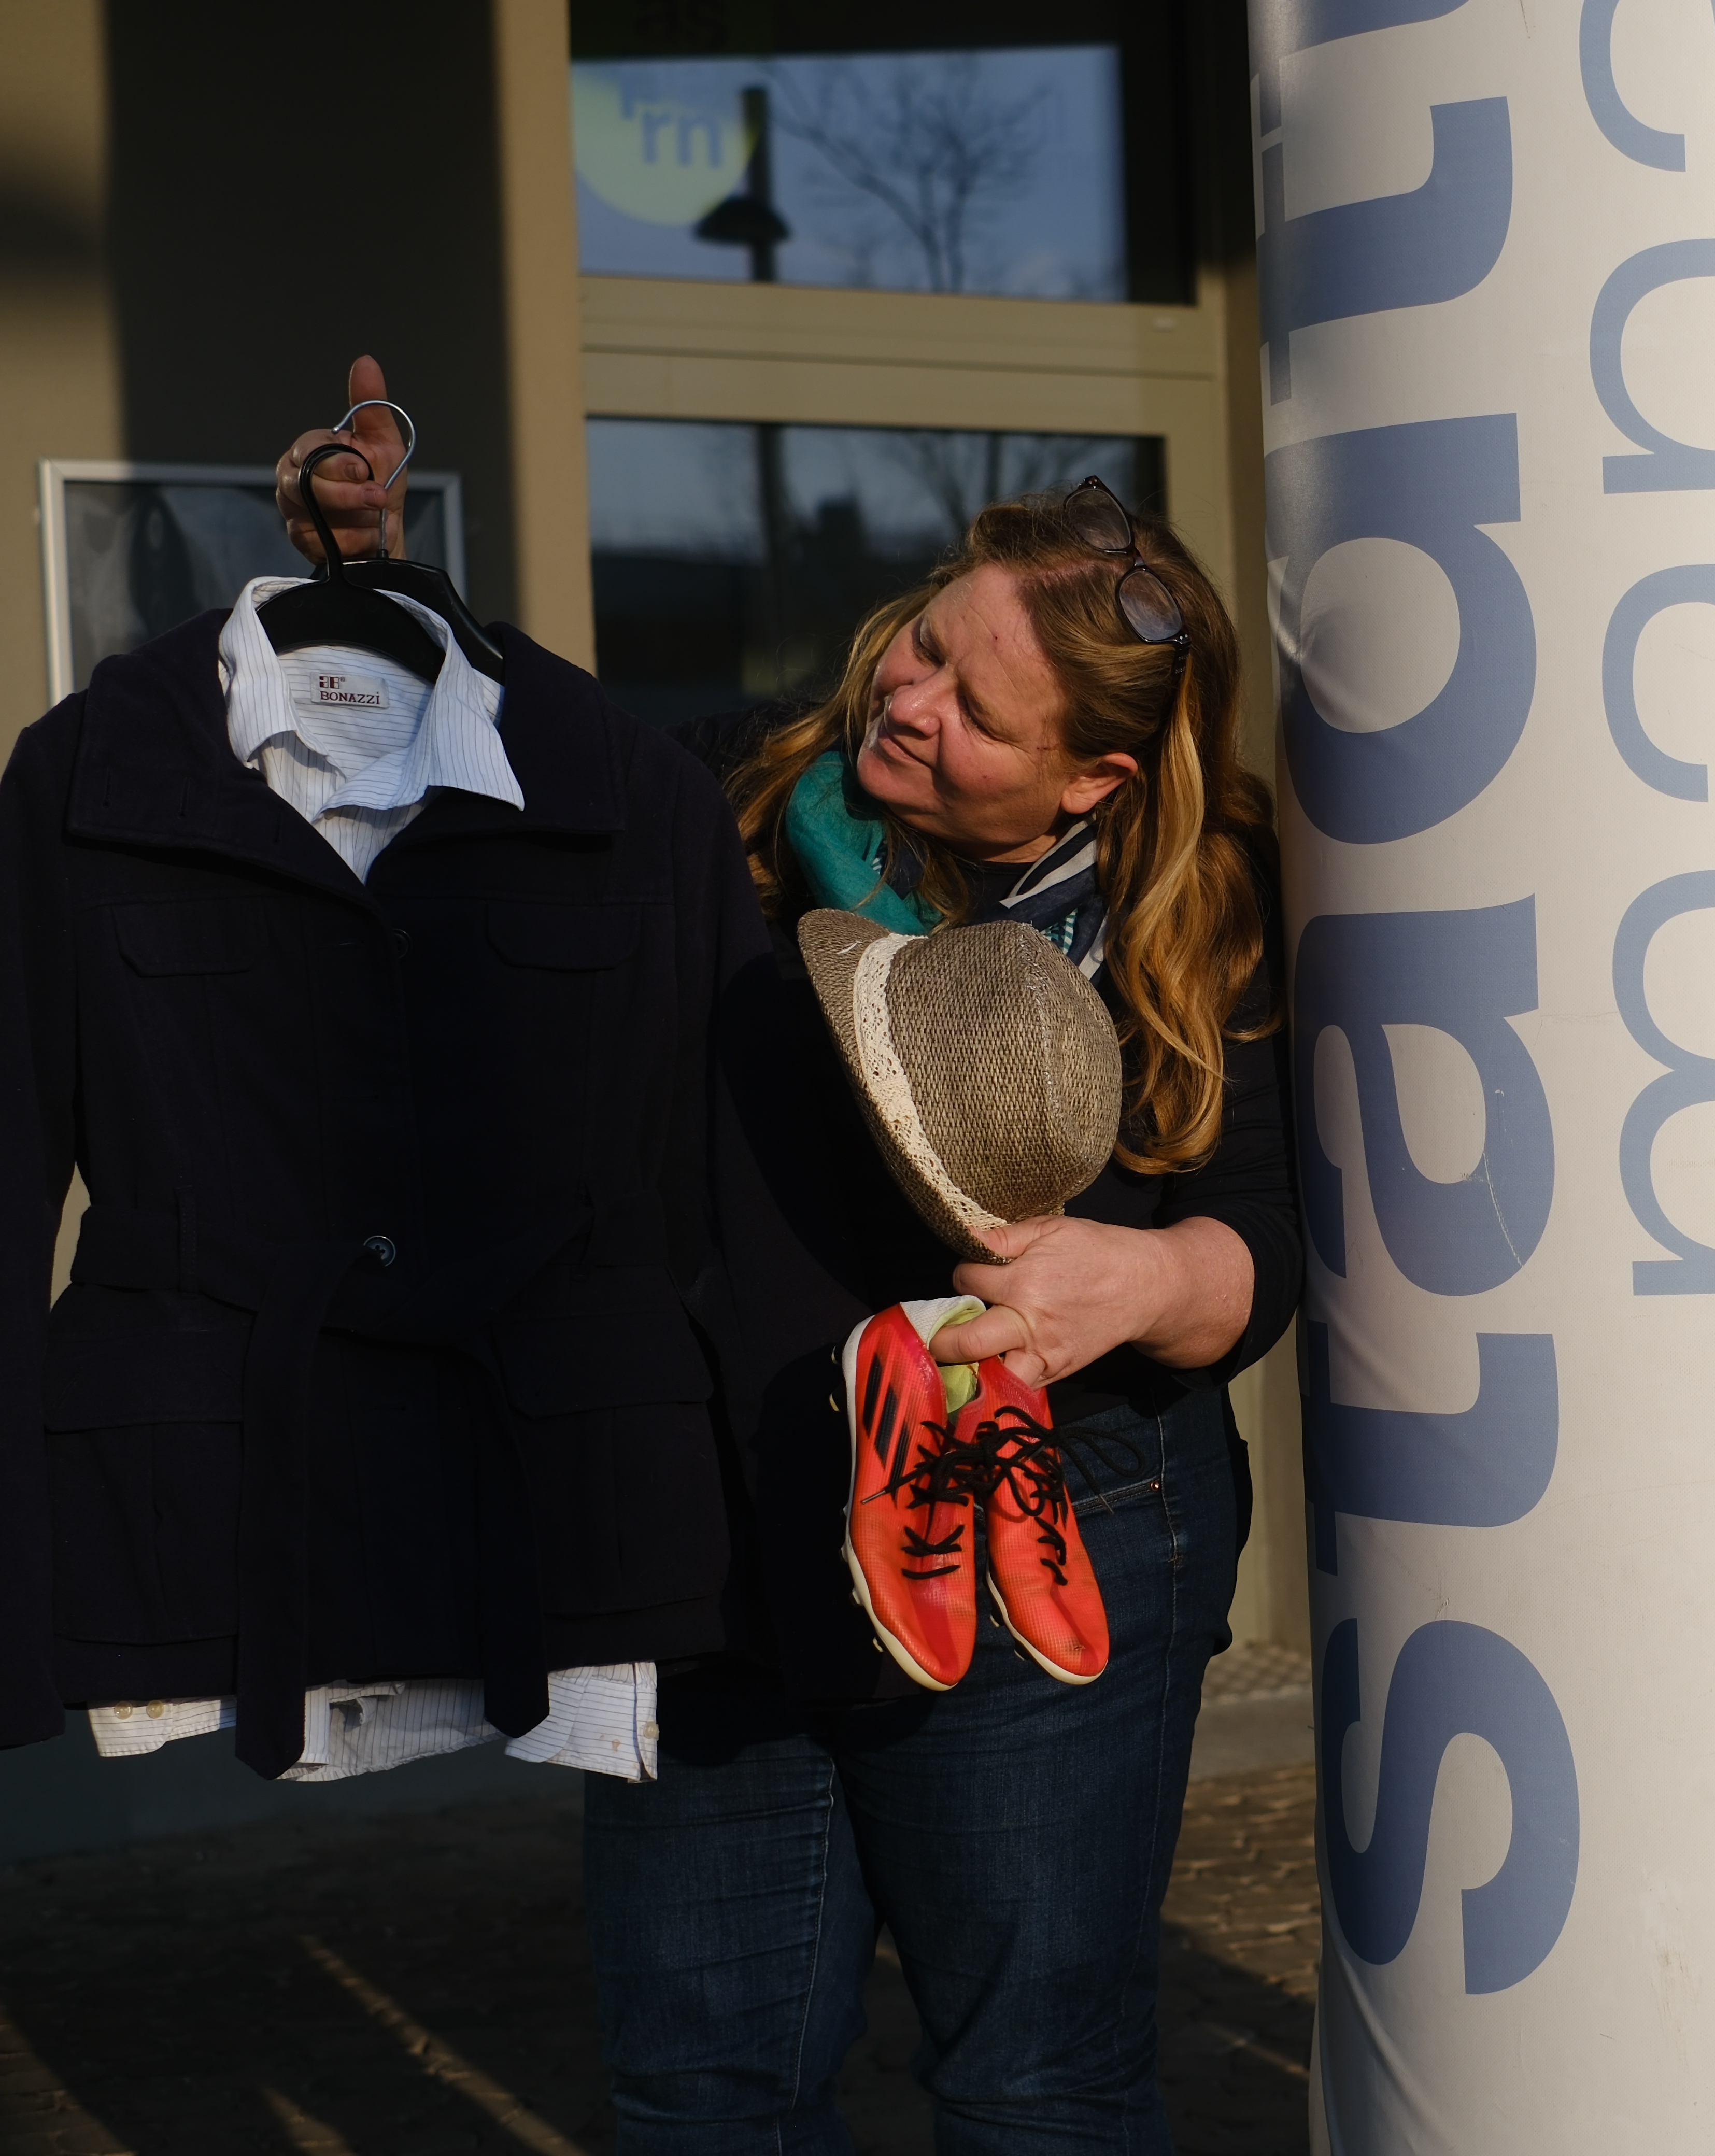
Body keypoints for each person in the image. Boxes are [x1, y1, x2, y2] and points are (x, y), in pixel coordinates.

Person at [278, 362, 1303, 2153]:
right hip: (719, 1525)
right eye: (924, 641)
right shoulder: (743, 796)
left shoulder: (1212, 910)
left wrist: (1144, 1285)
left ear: (1095, 777)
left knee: (1038, 2092)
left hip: (1055, 1522)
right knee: (703, 2094)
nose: (904, 696)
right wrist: (370, 591)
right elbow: (500, 764)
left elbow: (1273, 1234)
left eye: (973, 707)